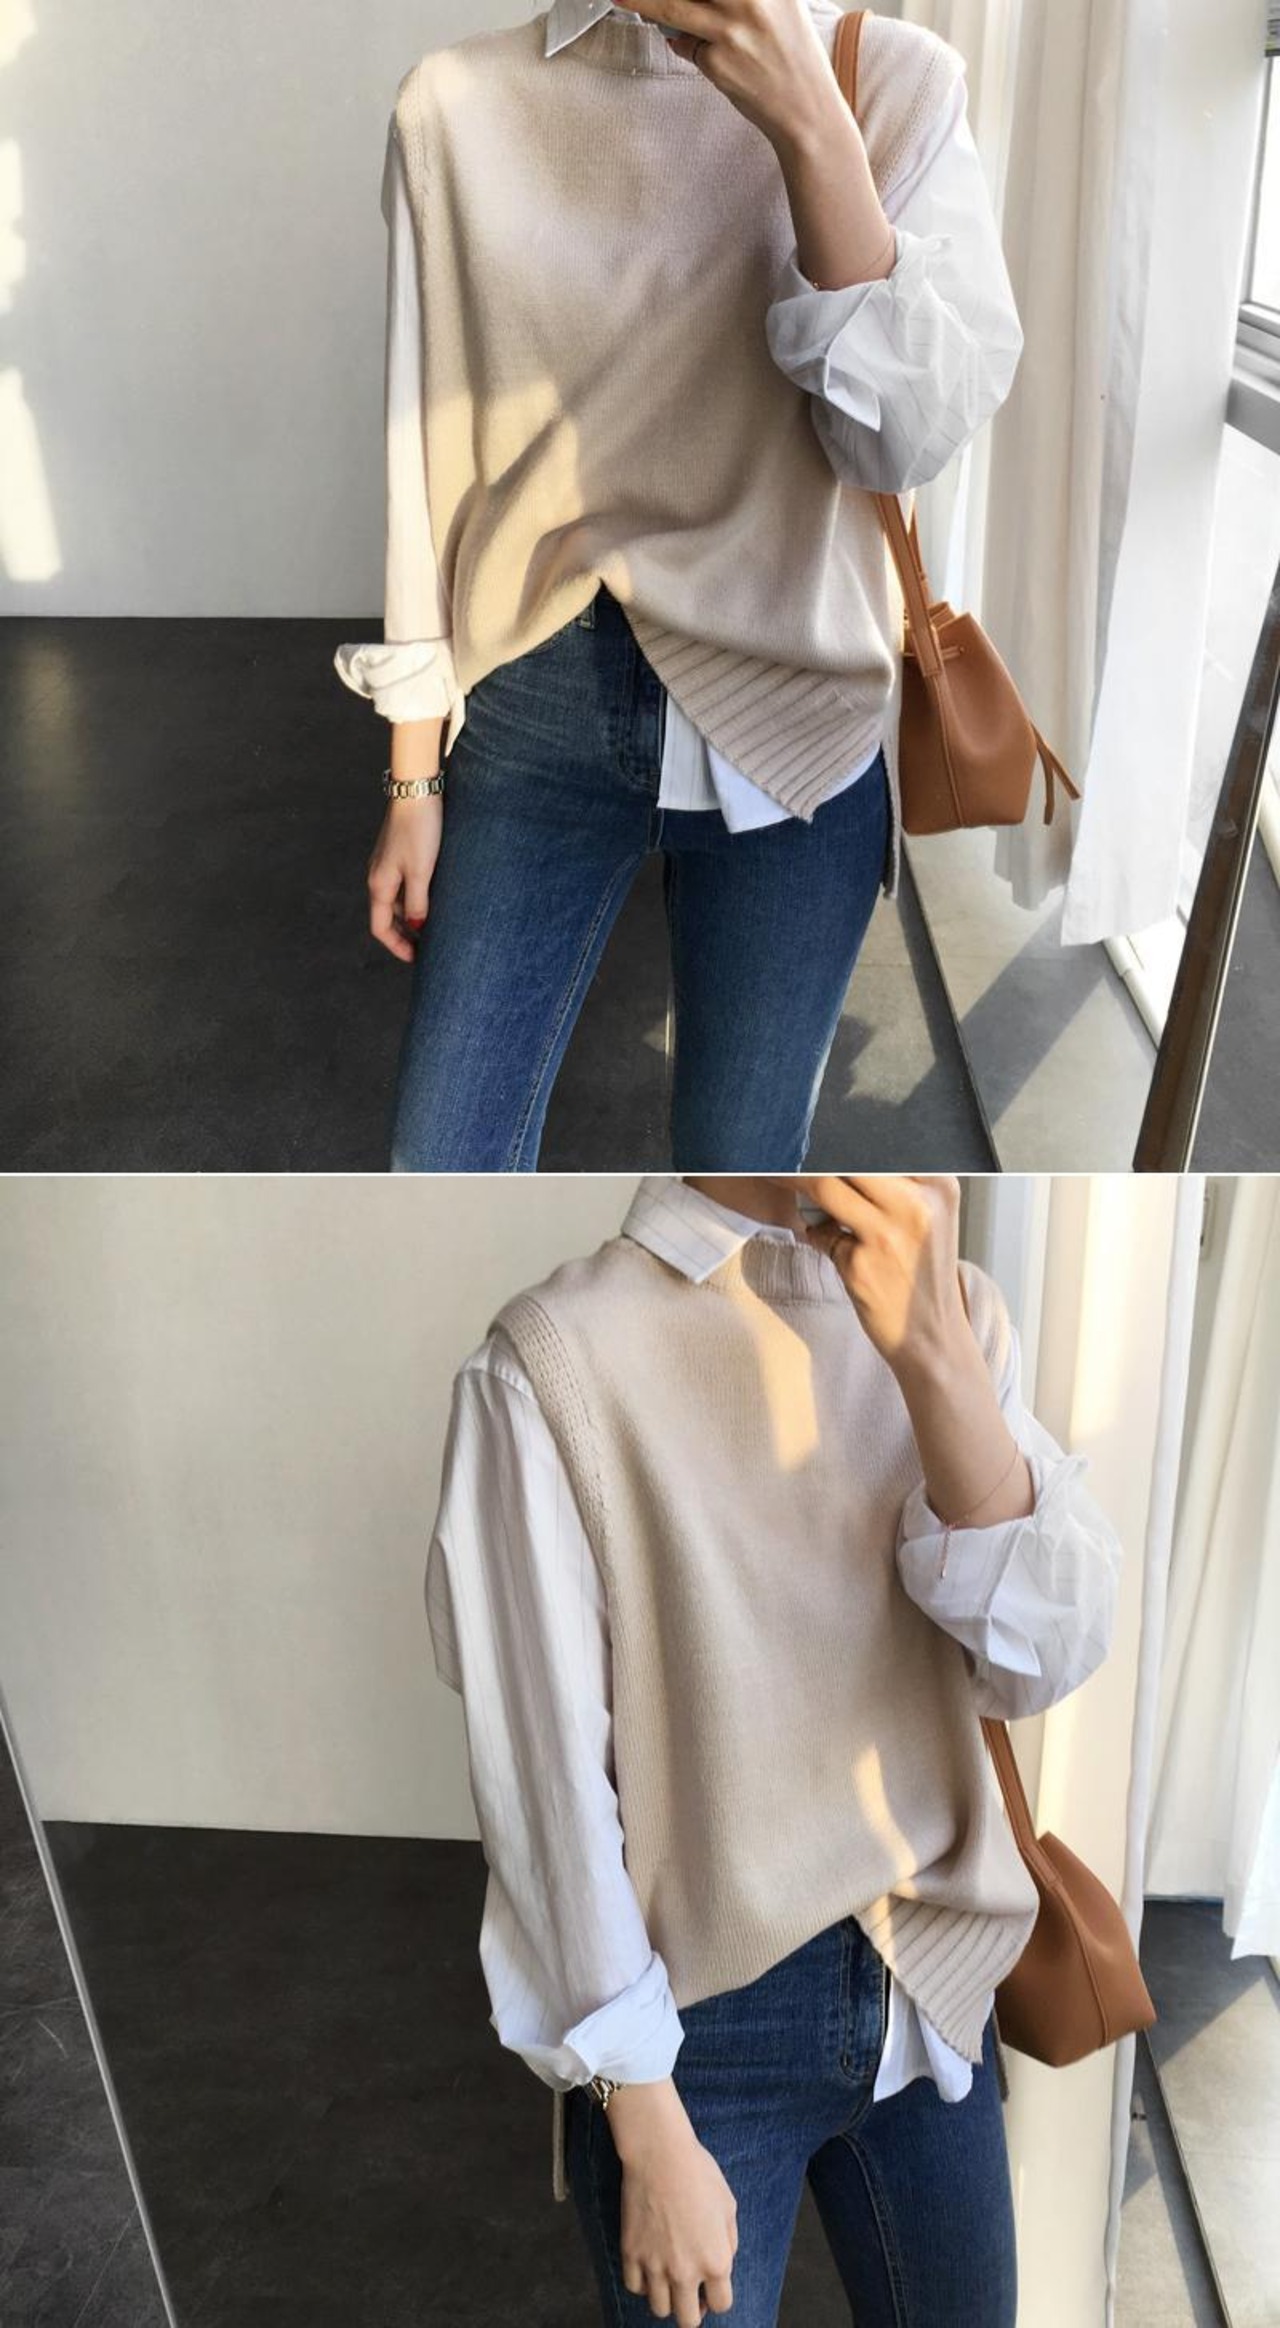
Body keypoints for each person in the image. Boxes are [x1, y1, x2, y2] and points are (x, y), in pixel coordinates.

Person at [335, 1, 1033, 1172]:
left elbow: (903, 443)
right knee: (440, 1158)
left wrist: (811, 121)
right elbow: (425, 455)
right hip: (535, 693)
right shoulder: (452, 104)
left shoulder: (892, 81)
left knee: (740, 1169)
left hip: (799, 714)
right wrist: (413, 772)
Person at [425, 1173, 1123, 2326]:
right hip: (697, 2031)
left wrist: (934, 1357)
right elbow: (546, 1796)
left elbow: (1038, 1663)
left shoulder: (953, 1312)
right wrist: (640, 2113)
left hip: (931, 1981)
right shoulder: (554, 1359)